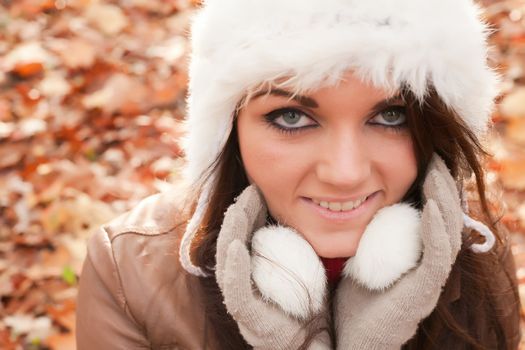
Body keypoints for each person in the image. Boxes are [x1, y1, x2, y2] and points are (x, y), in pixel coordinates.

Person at [76, 0, 522, 349]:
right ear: (228, 129)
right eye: (291, 117)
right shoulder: (131, 274)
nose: (345, 173)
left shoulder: (473, 252)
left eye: (390, 115)